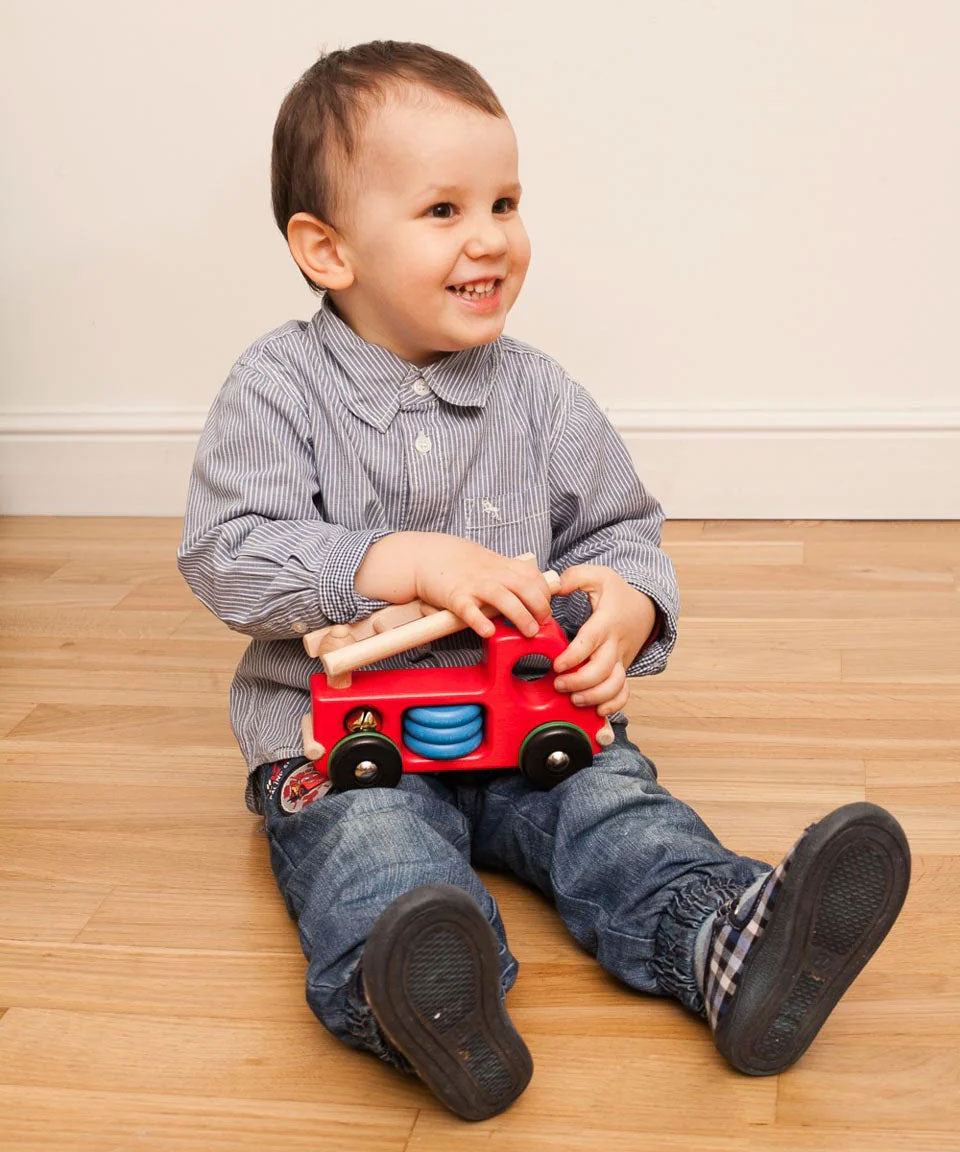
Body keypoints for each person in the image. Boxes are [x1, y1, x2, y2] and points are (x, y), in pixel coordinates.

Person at [177, 40, 910, 1123]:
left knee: (616, 808)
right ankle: (422, 1000)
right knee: (373, 846)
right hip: (350, 737)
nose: (492, 239)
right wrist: (395, 559)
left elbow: (623, 529)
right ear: (327, 250)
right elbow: (226, 551)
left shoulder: (542, 398)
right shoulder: (276, 390)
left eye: (507, 202)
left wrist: (629, 604)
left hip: (528, 718)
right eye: (444, 210)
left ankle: (726, 941)